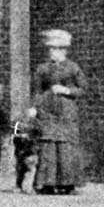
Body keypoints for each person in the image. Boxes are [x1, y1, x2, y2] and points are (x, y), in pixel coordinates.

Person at [32, 29, 87, 195]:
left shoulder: (73, 68)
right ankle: (47, 183)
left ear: (63, 50)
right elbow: (37, 91)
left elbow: (83, 89)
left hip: (66, 112)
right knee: (48, 148)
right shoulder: (42, 69)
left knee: (65, 149)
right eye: (50, 49)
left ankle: (68, 184)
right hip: (47, 111)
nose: (52, 52)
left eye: (55, 49)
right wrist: (35, 107)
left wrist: (66, 90)